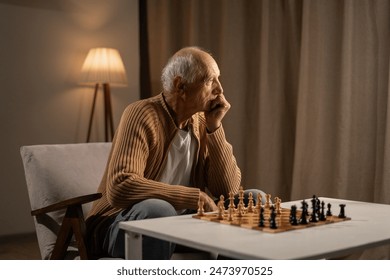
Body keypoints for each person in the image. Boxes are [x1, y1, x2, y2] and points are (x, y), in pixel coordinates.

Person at [86, 46, 264, 259]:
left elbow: (229, 189)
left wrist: (214, 128)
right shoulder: (141, 114)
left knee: (255, 199)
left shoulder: (201, 120)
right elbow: (121, 186)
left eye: (218, 79)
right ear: (181, 86)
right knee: (158, 210)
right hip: (119, 224)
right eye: (209, 80)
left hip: (183, 221)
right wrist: (195, 197)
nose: (220, 89)